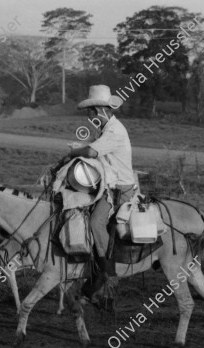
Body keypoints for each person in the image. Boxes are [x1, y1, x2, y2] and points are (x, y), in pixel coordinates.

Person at [53, 85, 135, 306]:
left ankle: (106, 274)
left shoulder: (114, 131)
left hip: (120, 190)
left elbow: (91, 152)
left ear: (100, 110)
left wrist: (73, 151)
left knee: (96, 223)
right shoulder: (106, 129)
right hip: (110, 185)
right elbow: (92, 148)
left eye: (90, 112)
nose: (89, 117)